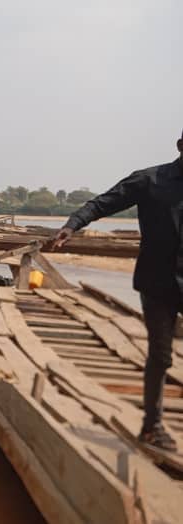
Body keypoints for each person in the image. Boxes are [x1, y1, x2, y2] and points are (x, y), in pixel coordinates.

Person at [53, 131, 183, 452]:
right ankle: (151, 428)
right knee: (161, 355)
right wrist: (72, 225)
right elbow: (102, 203)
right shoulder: (150, 180)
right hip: (158, 283)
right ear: (181, 147)